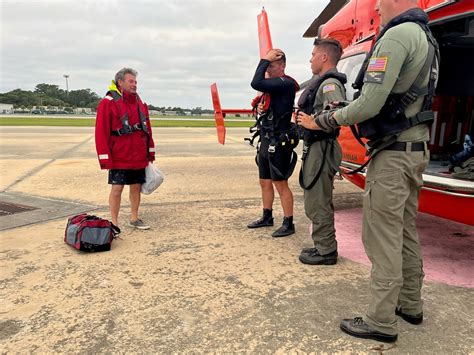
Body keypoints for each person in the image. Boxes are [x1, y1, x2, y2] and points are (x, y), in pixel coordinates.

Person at [312, 0, 439, 343]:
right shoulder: (426, 37)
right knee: (404, 231)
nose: (378, 8)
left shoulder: (397, 36)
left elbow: (369, 102)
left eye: (380, 1)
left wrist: (326, 119)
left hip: (394, 156)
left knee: (381, 236)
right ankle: (410, 304)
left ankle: (381, 320)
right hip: (414, 151)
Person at [296, 38, 346, 265]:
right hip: (317, 147)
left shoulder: (330, 85)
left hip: (323, 148)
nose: (310, 58)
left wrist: (312, 122)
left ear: (324, 57)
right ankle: (322, 244)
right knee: (316, 198)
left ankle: (326, 251)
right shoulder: (322, 82)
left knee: (318, 200)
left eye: (314, 54)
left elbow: (337, 116)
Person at [95, 67, 156, 233]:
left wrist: (150, 152)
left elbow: (147, 130)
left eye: (135, 82)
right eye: (131, 81)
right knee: (117, 189)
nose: (134, 85)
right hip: (119, 156)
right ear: (120, 82)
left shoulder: (140, 104)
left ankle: (134, 218)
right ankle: (114, 222)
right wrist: (105, 158)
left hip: (138, 155)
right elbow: (101, 132)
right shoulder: (107, 103)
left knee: (136, 187)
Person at [248, 49, 300, 237]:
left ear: (282, 66)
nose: (268, 69)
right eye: (267, 66)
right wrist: (261, 106)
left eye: (272, 65)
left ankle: (289, 222)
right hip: (267, 138)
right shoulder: (272, 88)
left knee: (280, 183)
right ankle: (267, 216)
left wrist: (264, 59)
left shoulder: (285, 83)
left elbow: (256, 82)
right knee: (264, 181)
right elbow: (263, 95)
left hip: (280, 141)